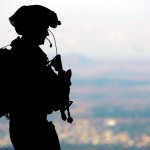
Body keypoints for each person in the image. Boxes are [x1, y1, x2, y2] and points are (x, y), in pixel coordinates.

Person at [3, 5, 65, 150]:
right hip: (34, 127)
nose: (47, 34)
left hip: (21, 127)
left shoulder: (20, 53)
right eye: (44, 28)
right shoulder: (31, 56)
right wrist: (61, 75)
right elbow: (55, 98)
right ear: (34, 28)